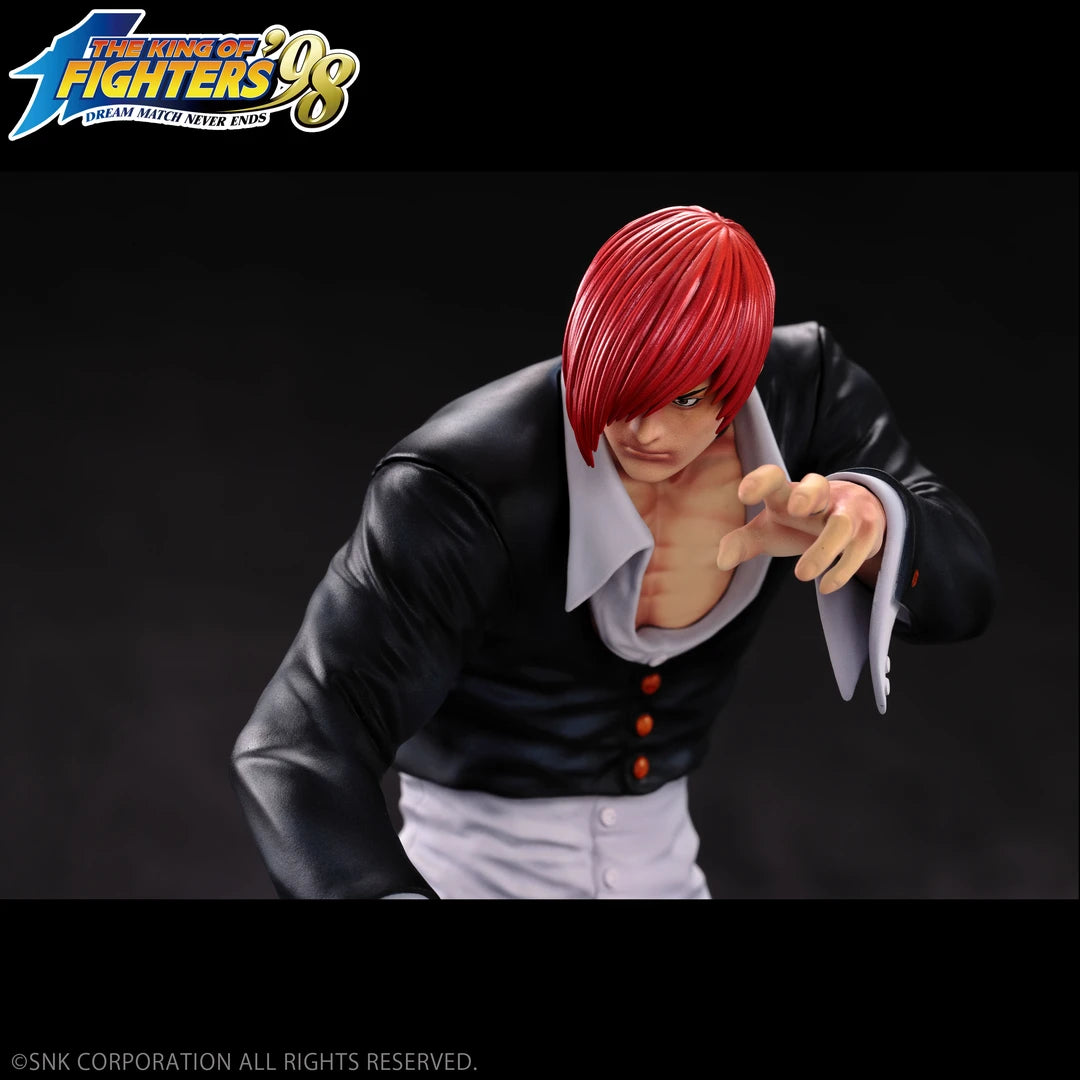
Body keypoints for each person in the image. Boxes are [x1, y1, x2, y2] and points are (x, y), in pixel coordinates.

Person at [230, 205, 996, 899]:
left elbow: (965, 593)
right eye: (622, 387)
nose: (647, 431)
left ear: (741, 374)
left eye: (686, 397)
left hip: (665, 865)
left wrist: (881, 524)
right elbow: (296, 743)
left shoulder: (808, 395)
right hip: (469, 869)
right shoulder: (464, 483)